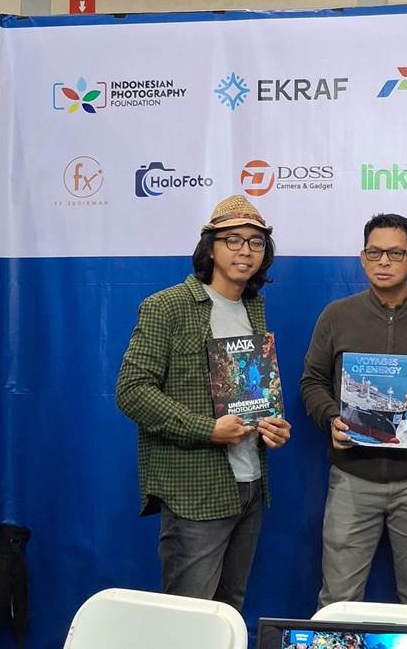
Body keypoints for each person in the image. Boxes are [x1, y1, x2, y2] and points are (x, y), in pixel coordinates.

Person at [115, 194, 291, 611]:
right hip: (196, 490)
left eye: (256, 242)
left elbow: (250, 392)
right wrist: (208, 429)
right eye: (233, 240)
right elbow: (132, 390)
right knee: (189, 617)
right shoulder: (167, 306)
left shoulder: (254, 308)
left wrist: (274, 426)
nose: (245, 250)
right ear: (210, 247)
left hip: (250, 484)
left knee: (228, 611)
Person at [300, 213, 407, 607]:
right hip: (352, 477)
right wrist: (330, 418)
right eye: (374, 253)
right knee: (338, 600)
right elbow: (312, 382)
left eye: (395, 253)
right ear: (362, 258)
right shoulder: (336, 315)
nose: (384, 261)